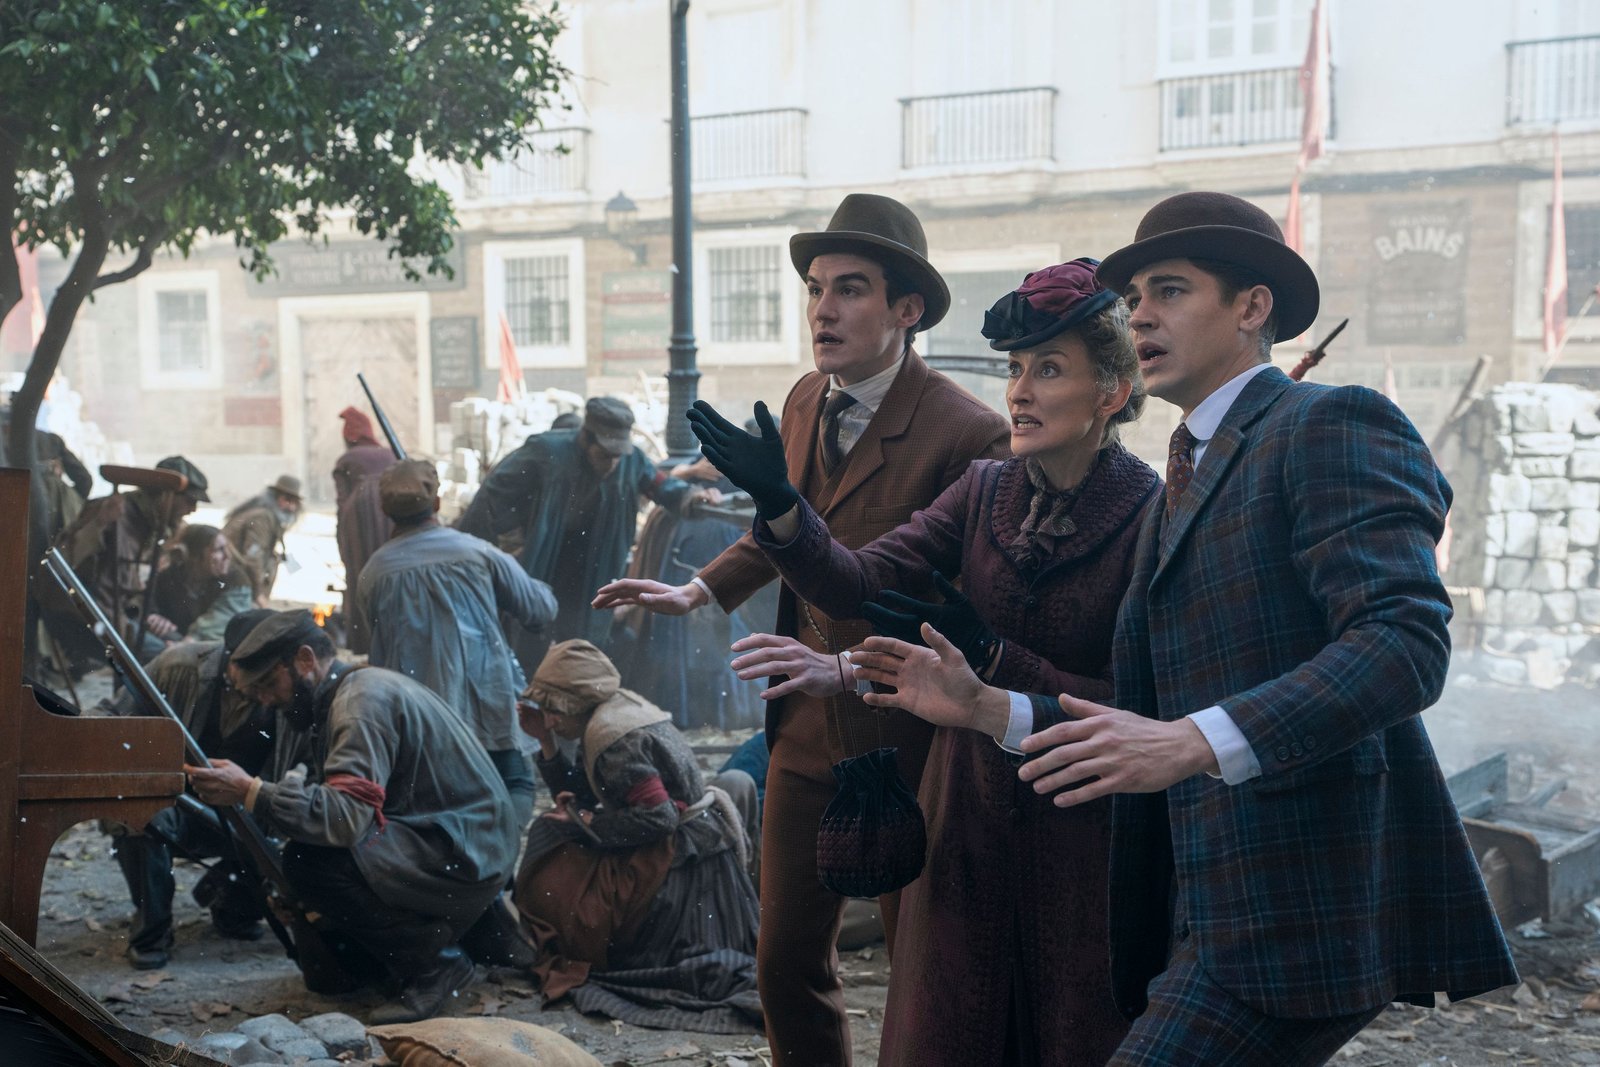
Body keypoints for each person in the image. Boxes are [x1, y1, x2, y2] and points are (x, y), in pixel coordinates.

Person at [874, 192, 1519, 1065]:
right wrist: (987, 707)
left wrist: (1195, 741)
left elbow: (1405, 642)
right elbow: (1146, 719)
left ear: (1252, 308)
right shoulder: (1183, 474)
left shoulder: (1327, 421)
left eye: (1170, 290)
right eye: (1136, 296)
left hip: (1296, 910)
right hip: (1196, 910)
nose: (1141, 313)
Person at [698, 259, 1159, 1066]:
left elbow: (1143, 708)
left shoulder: (1151, 516)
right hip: (967, 815)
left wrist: (995, 658)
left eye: (1049, 370)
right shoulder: (984, 492)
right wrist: (781, 505)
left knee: (1066, 1034)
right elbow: (857, 581)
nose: (1020, 392)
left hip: (1084, 838)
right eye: (1016, 369)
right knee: (949, 1031)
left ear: (1111, 392)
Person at [593, 193, 1010, 1066]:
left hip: (910, 739)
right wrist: (696, 590)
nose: (823, 309)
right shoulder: (802, 400)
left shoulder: (969, 433)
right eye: (816, 288)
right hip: (804, 727)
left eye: (850, 288)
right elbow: (785, 525)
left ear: (907, 309)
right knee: (783, 958)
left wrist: (857, 666)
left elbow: (966, 610)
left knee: (922, 966)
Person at [186, 610, 520, 1024]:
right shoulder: (349, 691)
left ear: (305, 660)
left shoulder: (359, 704)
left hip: (468, 848)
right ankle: (447, 941)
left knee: (311, 865)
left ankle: (436, 964)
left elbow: (343, 820)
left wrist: (251, 792)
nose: (267, 700)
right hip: (462, 838)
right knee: (333, 965)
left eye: (269, 685)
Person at [512, 639, 762, 1034]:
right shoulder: (609, 712)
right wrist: (546, 741)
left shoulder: (616, 741)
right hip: (681, 844)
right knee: (552, 830)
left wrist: (589, 825)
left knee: (552, 848)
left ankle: (587, 939)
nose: (553, 720)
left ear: (577, 704)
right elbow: (584, 793)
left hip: (682, 864)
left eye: (555, 712)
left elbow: (660, 817)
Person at [358, 458, 557, 830]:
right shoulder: (477, 553)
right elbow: (540, 609)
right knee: (514, 782)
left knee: (433, 805)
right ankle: (503, 849)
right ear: (436, 503)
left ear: (385, 511)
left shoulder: (374, 572)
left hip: (417, 717)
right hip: (487, 702)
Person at [107, 608, 298, 969]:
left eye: (270, 678)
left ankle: (232, 905)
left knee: (288, 826)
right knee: (142, 817)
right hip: (175, 805)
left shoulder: (292, 691)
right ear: (232, 661)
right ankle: (152, 929)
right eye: (254, 677)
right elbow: (106, 719)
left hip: (246, 811)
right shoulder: (178, 667)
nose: (264, 691)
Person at [457, 396, 720, 656]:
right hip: (545, 560)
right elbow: (493, 497)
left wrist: (694, 496)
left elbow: (663, 487)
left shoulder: (632, 461)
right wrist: (508, 545)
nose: (613, 463)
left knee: (585, 642)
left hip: (594, 564)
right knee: (532, 636)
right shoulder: (545, 451)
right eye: (605, 455)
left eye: (618, 456)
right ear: (585, 439)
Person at [44, 455, 210, 671]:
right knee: (175, 660)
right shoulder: (112, 512)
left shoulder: (154, 526)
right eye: (189, 501)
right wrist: (99, 524)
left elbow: (133, 586)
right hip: (82, 618)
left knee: (183, 646)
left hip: (120, 620)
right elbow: (60, 562)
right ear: (164, 495)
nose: (193, 509)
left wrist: (149, 616)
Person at [333, 406, 396, 654]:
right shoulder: (389, 454)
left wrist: (342, 542)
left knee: (361, 576)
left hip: (358, 519)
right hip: (392, 515)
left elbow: (341, 503)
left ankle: (366, 643)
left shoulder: (347, 460)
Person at [145, 524, 255, 645]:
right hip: (173, 641)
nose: (227, 556)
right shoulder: (171, 576)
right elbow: (145, 601)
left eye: (226, 548)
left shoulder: (235, 581)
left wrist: (182, 647)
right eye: (219, 550)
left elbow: (217, 622)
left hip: (208, 648)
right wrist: (154, 616)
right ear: (195, 556)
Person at [222, 474, 304, 605]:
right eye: (287, 500)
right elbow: (253, 557)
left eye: (294, 502)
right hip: (234, 582)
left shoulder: (266, 515)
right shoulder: (262, 518)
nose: (291, 507)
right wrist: (258, 594)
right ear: (276, 497)